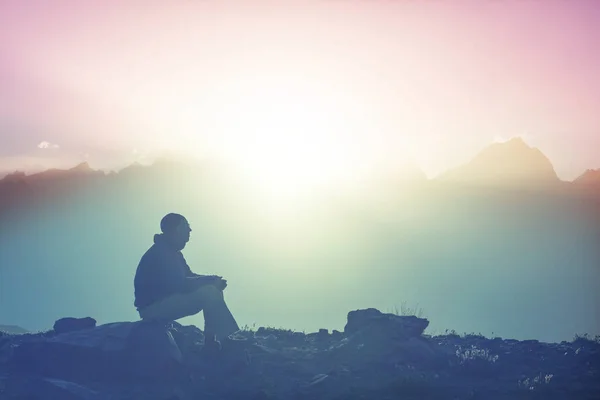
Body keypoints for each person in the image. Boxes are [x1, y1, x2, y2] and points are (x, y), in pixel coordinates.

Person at [134, 213, 239, 348]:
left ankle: (213, 342)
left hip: (160, 303)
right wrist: (210, 281)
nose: (190, 230)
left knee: (213, 289)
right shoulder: (162, 251)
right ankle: (228, 341)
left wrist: (212, 280)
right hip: (153, 308)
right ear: (177, 229)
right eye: (186, 226)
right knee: (210, 293)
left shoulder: (172, 252)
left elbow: (189, 276)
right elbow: (179, 284)